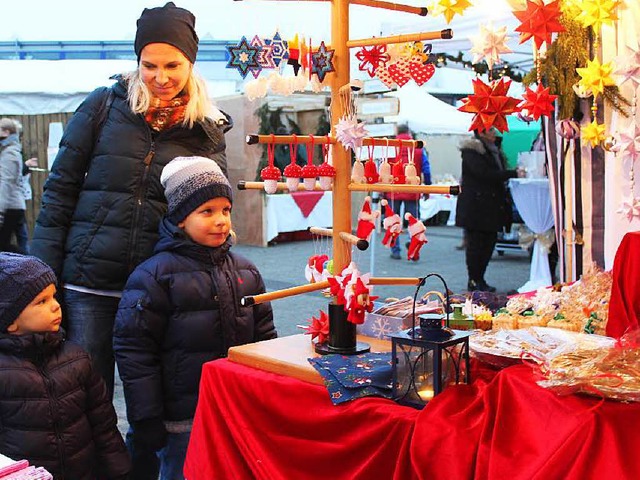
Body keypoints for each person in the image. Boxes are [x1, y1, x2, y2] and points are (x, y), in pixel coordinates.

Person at [30, 2, 232, 398]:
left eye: (172, 65)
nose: (160, 77)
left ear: (190, 63)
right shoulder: (104, 106)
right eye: (149, 64)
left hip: (159, 285)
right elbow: (60, 191)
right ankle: (94, 463)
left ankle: (146, 462)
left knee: (155, 397)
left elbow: (210, 210)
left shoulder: (206, 127)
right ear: (138, 61)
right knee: (87, 392)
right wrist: (42, 274)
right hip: (89, 283)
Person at [114, 157, 277, 480]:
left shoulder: (246, 270)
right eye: (207, 211)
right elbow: (135, 353)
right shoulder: (154, 276)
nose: (220, 221)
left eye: (225, 210)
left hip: (234, 407)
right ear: (179, 219)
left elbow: (265, 336)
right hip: (181, 418)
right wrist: (146, 417)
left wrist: (267, 391)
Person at [0, 252, 131, 479]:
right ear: (10, 321)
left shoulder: (76, 358)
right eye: (41, 301)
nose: (55, 306)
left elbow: (103, 426)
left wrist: (118, 470)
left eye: (54, 297)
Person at [455, 127, 522, 292]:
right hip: (476, 207)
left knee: (489, 244)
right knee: (476, 245)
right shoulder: (472, 151)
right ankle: (473, 279)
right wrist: (511, 173)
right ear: (482, 133)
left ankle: (480, 278)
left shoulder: (494, 150)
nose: (495, 133)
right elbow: (484, 173)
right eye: (491, 131)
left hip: (491, 206)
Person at [388, 124, 424, 261]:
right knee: (414, 222)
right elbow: (426, 168)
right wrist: (426, 188)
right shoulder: (418, 149)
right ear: (408, 132)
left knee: (394, 222)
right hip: (412, 190)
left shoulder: (391, 147)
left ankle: (395, 250)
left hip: (393, 190)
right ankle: (414, 248)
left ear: (397, 132)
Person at [0, 118, 27, 253]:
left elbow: (6, 183)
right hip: (11, 206)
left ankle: (32, 265)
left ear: (6, 132)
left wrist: (0, 211)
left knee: (4, 246)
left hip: (10, 207)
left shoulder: (10, 153)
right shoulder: (8, 151)